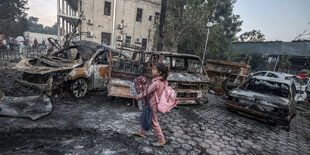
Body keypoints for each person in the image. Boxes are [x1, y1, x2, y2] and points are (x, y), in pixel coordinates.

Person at [133, 63, 169, 147]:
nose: (152, 70)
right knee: (146, 117)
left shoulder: (156, 83)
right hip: (153, 104)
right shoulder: (162, 81)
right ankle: (141, 132)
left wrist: (138, 97)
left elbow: (147, 92)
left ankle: (162, 140)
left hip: (153, 105)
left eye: (154, 69)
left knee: (154, 122)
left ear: (159, 73)